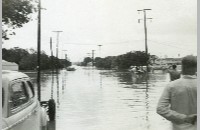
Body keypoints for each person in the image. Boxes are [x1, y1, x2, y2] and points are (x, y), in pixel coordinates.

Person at [157, 55, 197, 130]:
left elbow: (160, 109)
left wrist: (185, 118)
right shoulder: (176, 75)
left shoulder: (171, 86)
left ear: (182, 67)